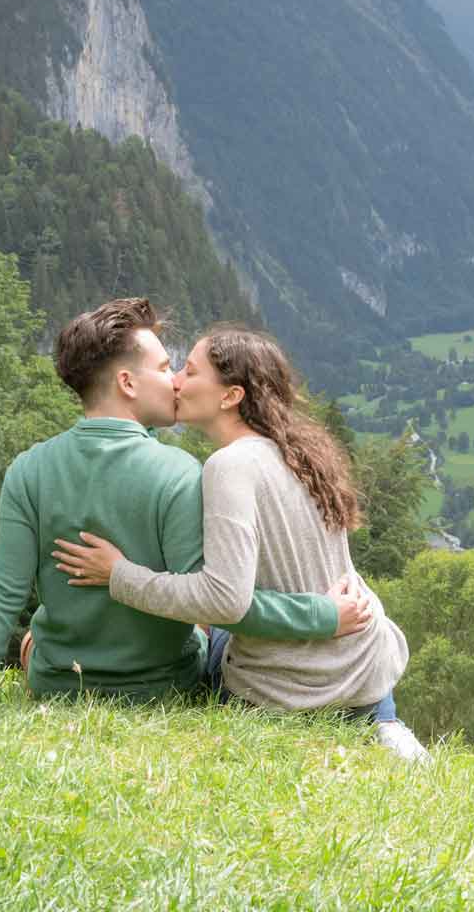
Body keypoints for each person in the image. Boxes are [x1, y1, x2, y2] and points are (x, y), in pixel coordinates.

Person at [0, 298, 373, 730]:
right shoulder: (180, 474)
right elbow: (225, 606)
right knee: (210, 625)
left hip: (58, 682)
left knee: (32, 640)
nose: (174, 380)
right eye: (163, 368)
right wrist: (324, 614)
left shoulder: (29, 470)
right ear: (128, 383)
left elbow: (0, 592)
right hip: (164, 690)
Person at [52, 324, 426, 761]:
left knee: (197, 637)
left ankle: (370, 725)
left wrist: (119, 574)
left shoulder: (229, 466)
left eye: (189, 373)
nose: (175, 381)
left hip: (283, 688)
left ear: (230, 396)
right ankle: (381, 722)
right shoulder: (301, 453)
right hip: (363, 665)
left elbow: (225, 600)